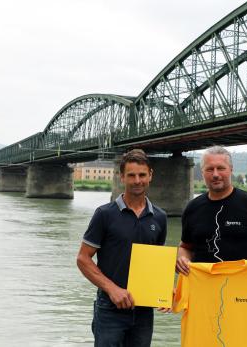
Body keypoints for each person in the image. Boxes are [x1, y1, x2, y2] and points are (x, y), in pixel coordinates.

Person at [76, 149, 167, 347]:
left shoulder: (160, 217)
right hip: (109, 308)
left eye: (142, 175)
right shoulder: (104, 214)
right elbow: (83, 258)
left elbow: (156, 263)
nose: (137, 180)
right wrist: (112, 289)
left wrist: (164, 292)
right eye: (131, 175)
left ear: (150, 175)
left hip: (143, 311)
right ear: (121, 176)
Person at [176, 145, 247, 275]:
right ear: (202, 172)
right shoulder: (192, 208)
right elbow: (185, 247)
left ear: (231, 170)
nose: (215, 174)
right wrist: (183, 259)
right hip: (202, 287)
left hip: (243, 288)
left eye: (221, 168)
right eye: (209, 169)